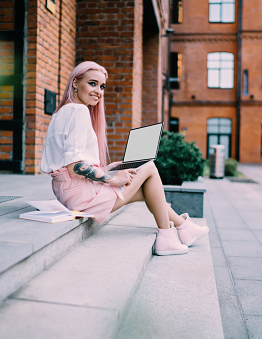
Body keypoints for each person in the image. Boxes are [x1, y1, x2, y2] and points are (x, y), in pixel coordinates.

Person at [41, 61, 208, 256]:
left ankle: (183, 227)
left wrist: (108, 167)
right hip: (81, 195)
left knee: (148, 190)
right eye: (92, 83)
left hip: (68, 192)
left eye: (102, 86)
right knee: (149, 166)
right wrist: (112, 178)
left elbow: (69, 162)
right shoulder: (79, 111)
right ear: (76, 83)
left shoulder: (61, 112)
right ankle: (167, 236)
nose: (98, 91)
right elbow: (74, 165)